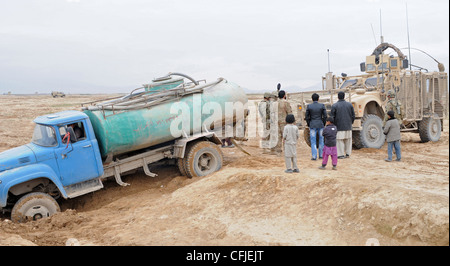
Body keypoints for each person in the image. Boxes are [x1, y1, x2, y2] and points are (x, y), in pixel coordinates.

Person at [330, 91, 355, 159]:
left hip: (339, 126)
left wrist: (333, 125)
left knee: (339, 141)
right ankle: (348, 153)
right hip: (348, 126)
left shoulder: (334, 105)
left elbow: (332, 117)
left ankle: (340, 154)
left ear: (338, 97)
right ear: (344, 96)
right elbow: (353, 116)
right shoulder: (349, 105)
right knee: (348, 140)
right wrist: (350, 122)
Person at [305, 93, 327, 160]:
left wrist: (309, 123)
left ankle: (314, 156)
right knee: (321, 140)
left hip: (312, 125)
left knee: (313, 141)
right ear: (318, 98)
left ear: (312, 99)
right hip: (320, 124)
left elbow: (306, 117)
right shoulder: (322, 105)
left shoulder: (309, 106)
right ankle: (321, 155)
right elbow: (325, 116)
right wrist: (323, 123)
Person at [271, 90, 292, 155]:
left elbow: (272, 113)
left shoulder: (274, 103)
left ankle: (278, 151)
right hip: (284, 122)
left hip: (276, 122)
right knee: (286, 136)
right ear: (284, 95)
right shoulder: (286, 103)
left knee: (278, 137)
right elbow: (289, 113)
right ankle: (286, 151)